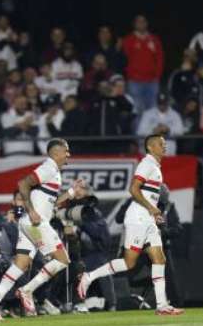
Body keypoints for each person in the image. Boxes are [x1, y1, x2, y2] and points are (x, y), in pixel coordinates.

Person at [77, 135, 184, 315]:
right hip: (138, 218)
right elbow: (133, 189)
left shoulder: (155, 166)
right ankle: (89, 276)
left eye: (165, 144)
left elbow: (147, 194)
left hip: (147, 219)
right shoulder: (146, 164)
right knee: (129, 263)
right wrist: (151, 208)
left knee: (159, 259)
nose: (164, 147)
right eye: (160, 144)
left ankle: (162, 305)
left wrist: (154, 213)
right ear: (150, 147)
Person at [0, 139, 87, 320]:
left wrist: (70, 193)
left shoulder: (54, 172)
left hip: (27, 223)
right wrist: (31, 211)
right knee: (63, 260)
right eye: (66, 151)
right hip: (35, 224)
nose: (68, 154)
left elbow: (51, 202)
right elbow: (23, 183)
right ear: (55, 153)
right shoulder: (49, 167)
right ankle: (26, 290)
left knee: (20, 264)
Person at [122, 14, 164, 116]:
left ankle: (152, 132)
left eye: (143, 21)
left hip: (152, 81)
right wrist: (129, 75)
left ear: (146, 24)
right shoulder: (128, 40)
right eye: (138, 21)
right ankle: (138, 132)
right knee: (138, 110)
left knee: (153, 110)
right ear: (134, 24)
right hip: (135, 82)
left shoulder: (154, 39)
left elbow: (160, 59)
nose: (141, 24)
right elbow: (124, 60)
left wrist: (157, 75)